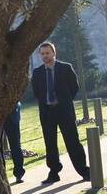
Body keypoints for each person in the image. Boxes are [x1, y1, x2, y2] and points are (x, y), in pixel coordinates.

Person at [31, 41, 91, 184]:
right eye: (43, 53)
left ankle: (84, 171)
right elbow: (36, 92)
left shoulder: (65, 68)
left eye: (48, 53)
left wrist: (63, 100)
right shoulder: (37, 72)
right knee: (50, 143)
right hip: (47, 112)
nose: (45, 56)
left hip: (64, 111)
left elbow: (74, 87)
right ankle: (54, 173)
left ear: (54, 53)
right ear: (40, 56)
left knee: (72, 141)